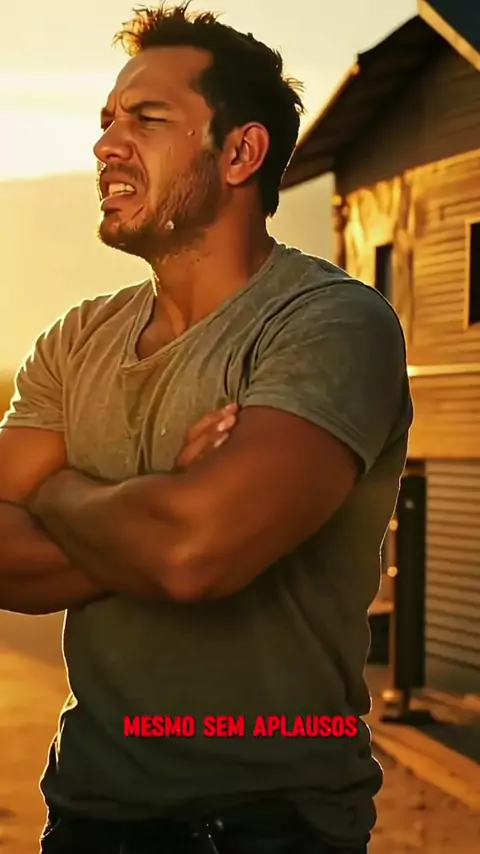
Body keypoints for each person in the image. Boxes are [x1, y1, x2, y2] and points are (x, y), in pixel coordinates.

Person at [0, 3, 413, 853]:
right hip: (86, 815)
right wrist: (156, 511)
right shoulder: (76, 338)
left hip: (271, 822)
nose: (106, 145)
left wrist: (60, 492)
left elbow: (193, 554)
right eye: (107, 120)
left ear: (240, 152)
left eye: (146, 120)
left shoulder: (330, 324)